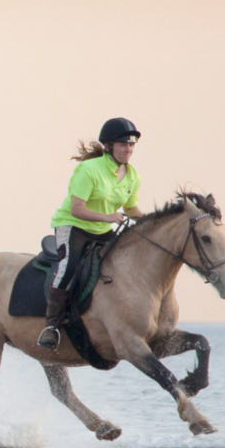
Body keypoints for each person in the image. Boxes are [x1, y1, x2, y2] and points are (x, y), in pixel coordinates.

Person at [37, 117, 147, 351]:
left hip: (101, 230)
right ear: (108, 147)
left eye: (131, 146)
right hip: (72, 225)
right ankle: (51, 327)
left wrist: (151, 222)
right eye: (123, 145)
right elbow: (77, 209)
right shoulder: (89, 169)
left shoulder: (132, 175)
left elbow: (130, 209)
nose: (128, 150)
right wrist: (109, 217)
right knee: (70, 265)